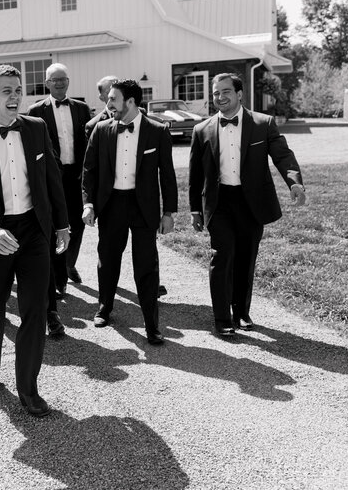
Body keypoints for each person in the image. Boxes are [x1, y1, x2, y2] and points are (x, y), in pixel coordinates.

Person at [0, 64, 69, 417]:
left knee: (35, 311)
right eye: (7, 90)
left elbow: (52, 178)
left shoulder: (36, 128)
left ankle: (29, 390)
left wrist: (62, 225)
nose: (15, 96)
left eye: (18, 89)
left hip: (34, 231)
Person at [189, 73, 306, 336]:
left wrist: (294, 182)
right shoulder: (202, 129)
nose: (220, 97)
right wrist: (195, 209)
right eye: (216, 93)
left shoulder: (262, 124)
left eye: (225, 91)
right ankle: (221, 318)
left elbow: (283, 155)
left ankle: (240, 312)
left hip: (251, 202)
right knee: (221, 256)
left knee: (245, 258)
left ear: (240, 94)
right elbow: (196, 175)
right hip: (219, 203)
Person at [82, 79, 177, 345]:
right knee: (108, 260)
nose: (108, 103)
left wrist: (168, 212)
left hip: (143, 207)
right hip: (111, 205)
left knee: (146, 266)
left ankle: (152, 324)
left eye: (113, 99)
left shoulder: (157, 131)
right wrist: (88, 203)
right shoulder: (100, 130)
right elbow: (88, 171)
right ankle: (104, 308)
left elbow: (167, 175)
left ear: (131, 102)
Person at [26, 63, 91, 335]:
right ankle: (59, 279)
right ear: (47, 83)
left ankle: (68, 263)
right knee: (54, 227)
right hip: (51, 179)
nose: (60, 84)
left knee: (78, 224)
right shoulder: (35, 112)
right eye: (55, 80)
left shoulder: (82, 109)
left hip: (77, 176)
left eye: (63, 79)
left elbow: (88, 143)